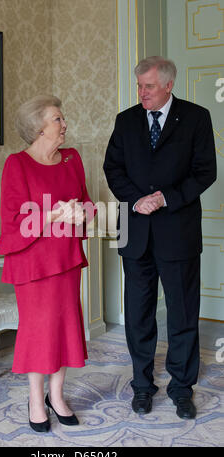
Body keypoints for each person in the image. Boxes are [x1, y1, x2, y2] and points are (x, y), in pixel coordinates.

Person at [103, 56, 216, 419]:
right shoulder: (126, 120)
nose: (142, 93)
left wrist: (164, 198)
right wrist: (137, 201)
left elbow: (205, 172)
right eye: (138, 86)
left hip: (177, 232)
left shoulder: (197, 118)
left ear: (168, 85)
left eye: (148, 86)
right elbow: (112, 168)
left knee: (183, 314)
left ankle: (182, 388)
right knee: (138, 315)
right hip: (134, 230)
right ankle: (142, 386)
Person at [0, 95, 96, 432]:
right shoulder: (17, 164)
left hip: (65, 259)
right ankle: (35, 399)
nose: (64, 124)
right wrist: (54, 214)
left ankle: (57, 396)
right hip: (33, 265)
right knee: (39, 333)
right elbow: (13, 221)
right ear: (39, 128)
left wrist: (81, 212)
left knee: (65, 328)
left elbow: (87, 204)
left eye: (62, 118)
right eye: (57, 119)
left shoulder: (71, 158)